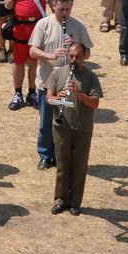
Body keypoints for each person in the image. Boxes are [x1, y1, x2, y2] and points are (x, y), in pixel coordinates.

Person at [26, 0, 93, 170]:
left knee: (67, 121)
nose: (65, 13)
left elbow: (87, 53)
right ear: (54, 6)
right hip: (47, 82)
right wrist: (51, 55)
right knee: (46, 121)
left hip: (69, 83)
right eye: (61, 9)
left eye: (68, 9)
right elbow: (32, 51)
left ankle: (62, 155)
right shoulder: (43, 24)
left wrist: (75, 49)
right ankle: (45, 155)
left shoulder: (78, 26)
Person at [45, 41, 102, 215]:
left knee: (79, 166)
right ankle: (60, 199)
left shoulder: (91, 77)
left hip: (83, 127)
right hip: (62, 125)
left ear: (84, 57)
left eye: (77, 56)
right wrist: (57, 97)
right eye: (71, 56)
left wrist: (78, 93)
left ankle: (75, 202)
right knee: (62, 164)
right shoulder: (58, 74)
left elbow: (95, 103)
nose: (73, 59)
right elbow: (48, 98)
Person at [1, 0, 57, 111]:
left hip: (38, 27)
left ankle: (32, 93)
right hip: (20, 27)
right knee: (19, 62)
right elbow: (8, 6)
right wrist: (9, 4)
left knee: (35, 62)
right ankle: (17, 93)